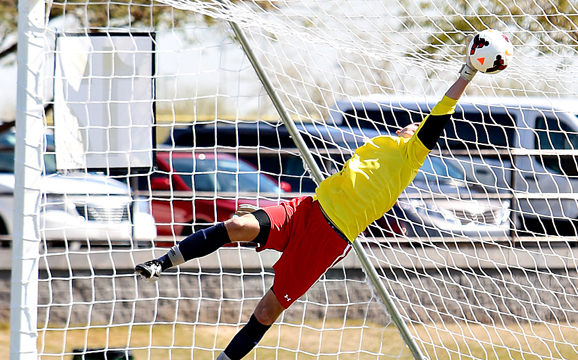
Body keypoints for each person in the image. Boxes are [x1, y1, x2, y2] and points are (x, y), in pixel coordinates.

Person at [135, 57, 480, 360]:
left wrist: (466, 73)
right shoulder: (382, 142)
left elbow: (441, 113)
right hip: (306, 210)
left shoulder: (411, 156)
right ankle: (161, 262)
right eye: (413, 125)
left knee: (268, 310)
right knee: (238, 226)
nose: (415, 126)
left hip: (328, 240)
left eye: (420, 128)